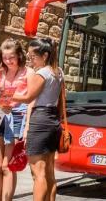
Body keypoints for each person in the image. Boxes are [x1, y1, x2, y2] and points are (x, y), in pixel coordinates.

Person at [13, 38, 63, 201]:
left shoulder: (41, 73)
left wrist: (2, 94)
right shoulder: (58, 72)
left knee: (38, 172)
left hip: (40, 119)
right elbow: (61, 101)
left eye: (33, 56)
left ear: (45, 55)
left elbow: (28, 97)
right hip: (53, 120)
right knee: (49, 171)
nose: (30, 59)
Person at [0, 39, 30, 201]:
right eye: (5, 57)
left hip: (17, 115)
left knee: (8, 165)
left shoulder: (28, 73)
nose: (8, 61)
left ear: (19, 55)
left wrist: (27, 125)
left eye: (11, 57)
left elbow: (30, 99)